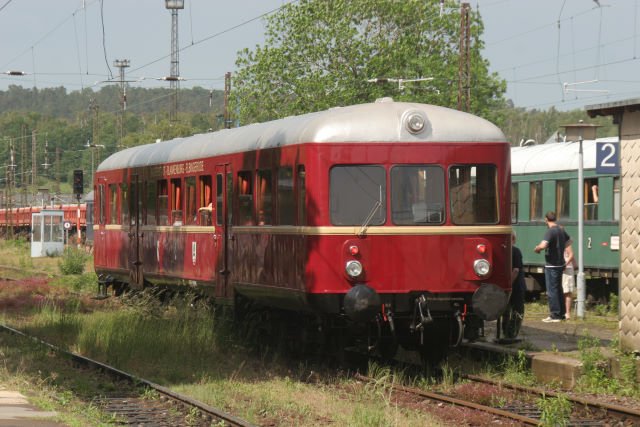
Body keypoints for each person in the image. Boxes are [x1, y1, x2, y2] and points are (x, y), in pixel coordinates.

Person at [534, 211, 572, 323]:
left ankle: (554, 315)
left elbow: (544, 245)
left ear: (546, 219)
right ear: (555, 219)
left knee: (552, 291)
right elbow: (569, 241)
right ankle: (562, 314)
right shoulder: (561, 230)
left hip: (552, 265)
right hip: (560, 264)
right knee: (559, 289)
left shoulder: (550, 232)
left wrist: (537, 248)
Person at [562, 243, 576, 320]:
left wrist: (564, 265)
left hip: (567, 269)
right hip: (562, 269)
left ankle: (567, 313)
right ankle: (563, 312)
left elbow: (571, 254)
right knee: (563, 292)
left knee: (567, 292)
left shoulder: (566, 242)